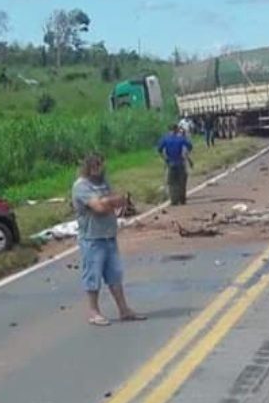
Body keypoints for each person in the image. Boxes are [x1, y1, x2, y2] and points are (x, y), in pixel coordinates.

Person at [72, 154, 146, 326]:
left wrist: (108, 201)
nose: (99, 169)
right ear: (88, 167)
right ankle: (94, 312)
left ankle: (124, 309)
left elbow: (120, 201)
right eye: (96, 166)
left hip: (109, 235)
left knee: (115, 275)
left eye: (101, 166)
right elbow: (98, 207)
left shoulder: (103, 183)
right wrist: (108, 202)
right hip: (92, 238)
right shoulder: (81, 186)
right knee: (92, 275)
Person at [158, 124, 193, 205]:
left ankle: (174, 199)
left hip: (170, 163)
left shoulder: (165, 139)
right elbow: (190, 146)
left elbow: (159, 149)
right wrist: (186, 154)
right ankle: (182, 199)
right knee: (182, 182)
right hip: (180, 162)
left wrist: (165, 158)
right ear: (177, 130)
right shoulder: (181, 139)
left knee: (172, 183)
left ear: (169, 130)